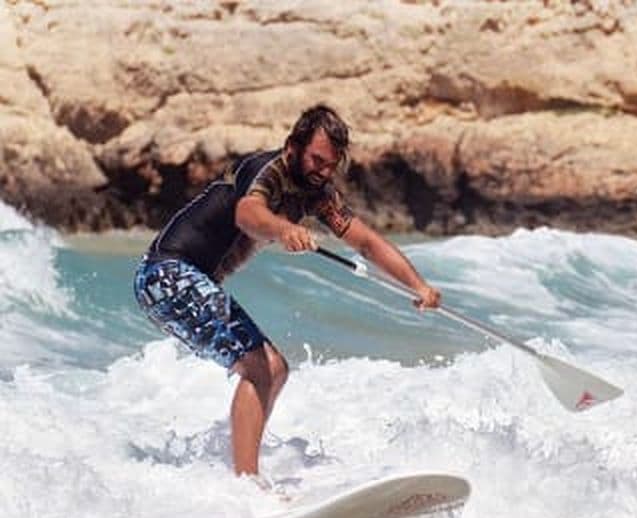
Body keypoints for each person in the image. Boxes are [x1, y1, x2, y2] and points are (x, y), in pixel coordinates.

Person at [133, 104, 441, 477]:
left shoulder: (317, 193)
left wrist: (418, 285)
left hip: (180, 284)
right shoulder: (266, 169)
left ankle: (239, 475)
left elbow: (367, 243)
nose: (323, 171)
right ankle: (246, 483)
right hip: (166, 275)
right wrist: (283, 230)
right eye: (316, 160)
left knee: (271, 371)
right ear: (293, 145)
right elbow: (247, 215)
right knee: (266, 368)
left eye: (331, 164)